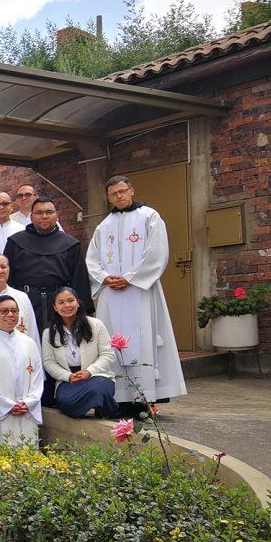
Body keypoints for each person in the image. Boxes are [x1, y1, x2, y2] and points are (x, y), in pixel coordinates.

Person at [86, 175, 186, 408]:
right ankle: (118, 397)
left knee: (142, 339)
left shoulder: (149, 217)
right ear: (108, 197)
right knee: (110, 341)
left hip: (140, 290)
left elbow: (157, 253)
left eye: (122, 191)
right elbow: (92, 259)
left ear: (131, 191)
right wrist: (104, 277)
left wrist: (130, 279)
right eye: (113, 194)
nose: (119, 196)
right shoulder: (104, 225)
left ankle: (144, 397)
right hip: (111, 293)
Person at [5, 196, 92, 333]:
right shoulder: (15, 242)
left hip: (61, 304)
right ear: (31, 216)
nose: (44, 216)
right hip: (26, 302)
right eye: (39, 213)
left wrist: (84, 311)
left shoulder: (70, 244)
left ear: (57, 215)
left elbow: (80, 280)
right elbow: (8, 278)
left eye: (49, 212)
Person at [42, 286, 118, 419]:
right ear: (55, 307)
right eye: (61, 302)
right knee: (66, 402)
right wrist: (68, 376)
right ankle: (101, 404)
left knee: (97, 389)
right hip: (68, 380)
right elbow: (49, 363)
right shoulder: (49, 333)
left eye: (70, 300)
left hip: (96, 375)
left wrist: (89, 372)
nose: (67, 305)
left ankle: (106, 409)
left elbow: (108, 354)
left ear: (78, 302)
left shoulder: (96, 324)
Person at [0, 295, 44, 446]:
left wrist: (28, 402)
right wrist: (7, 405)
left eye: (14, 311)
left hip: (26, 412)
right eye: (4, 311)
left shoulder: (29, 343)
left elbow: (37, 377)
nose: (10, 315)